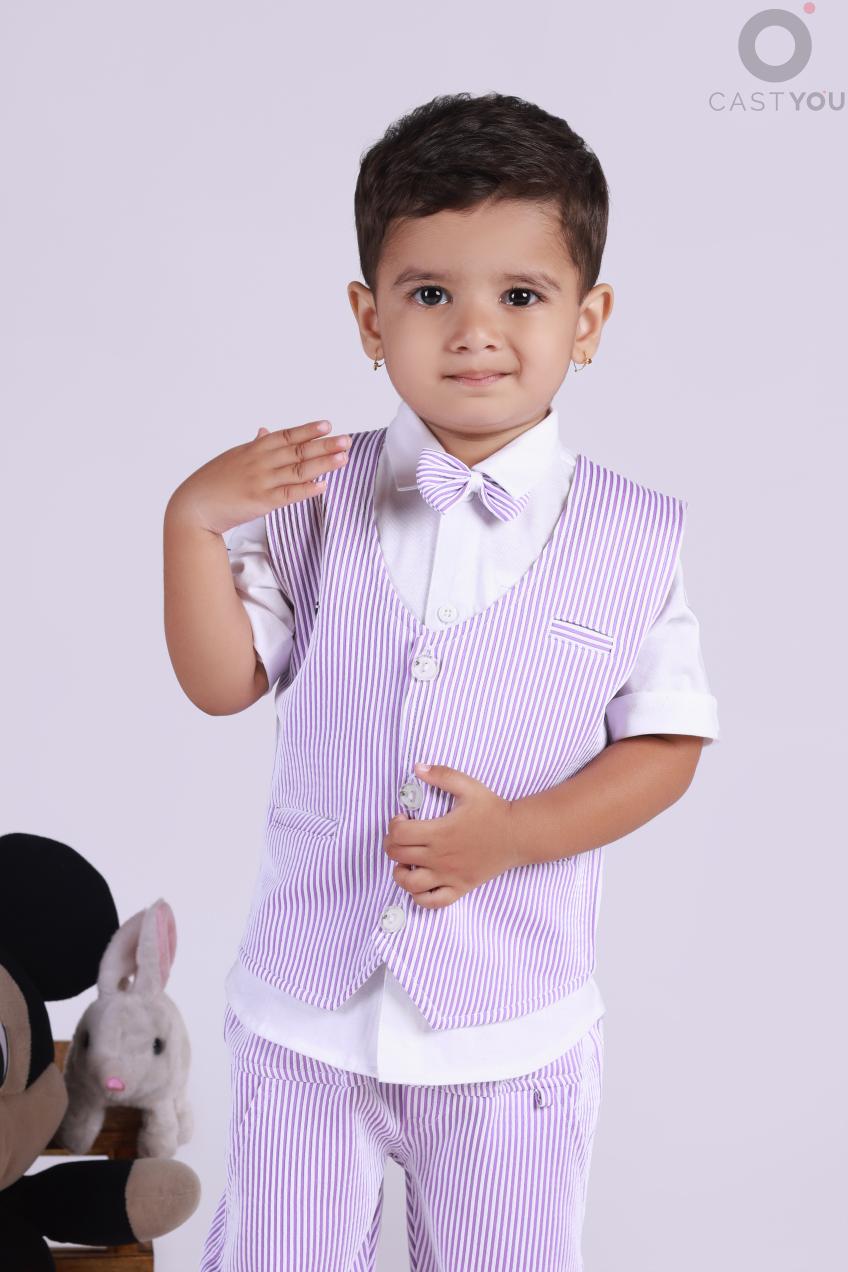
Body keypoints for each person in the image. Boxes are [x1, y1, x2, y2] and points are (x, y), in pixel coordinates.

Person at [164, 91, 720, 1272]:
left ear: (587, 319)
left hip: (509, 1031)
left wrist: (515, 835)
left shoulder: (631, 534)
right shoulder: (311, 494)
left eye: (519, 296)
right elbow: (221, 683)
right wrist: (193, 522)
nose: (473, 332)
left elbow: (665, 745)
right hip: (306, 1015)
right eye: (429, 296)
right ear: (369, 318)